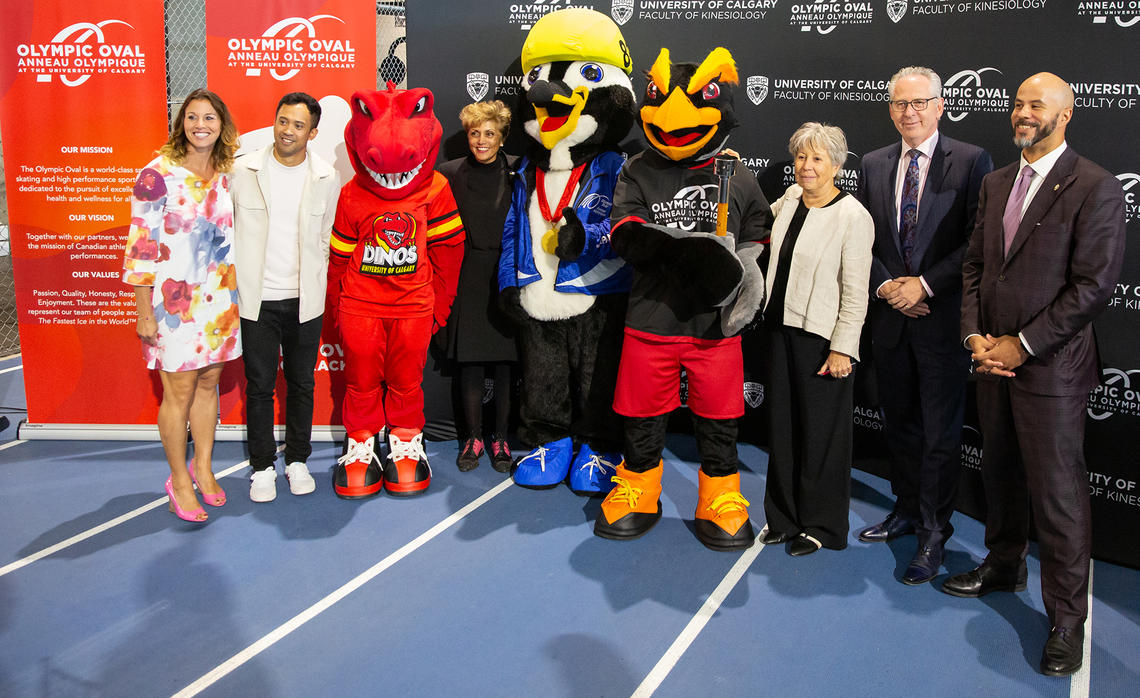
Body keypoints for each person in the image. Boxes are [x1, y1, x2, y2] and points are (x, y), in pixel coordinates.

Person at [947, 72, 1125, 677]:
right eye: (1019, 103)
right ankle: (1002, 566)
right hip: (990, 359)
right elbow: (974, 267)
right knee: (999, 473)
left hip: (1050, 367)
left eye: (1036, 105)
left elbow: (1093, 287)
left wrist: (1021, 345)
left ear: (1066, 114)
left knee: (1059, 498)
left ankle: (1066, 618)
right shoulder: (997, 182)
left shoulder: (1095, 186)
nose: (1023, 113)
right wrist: (975, 336)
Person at [855, 67, 993, 584]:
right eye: (899, 103)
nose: (909, 112)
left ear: (940, 106)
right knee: (901, 424)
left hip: (940, 321)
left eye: (920, 102)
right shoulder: (872, 163)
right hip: (890, 320)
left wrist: (924, 286)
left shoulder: (972, 159)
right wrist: (889, 287)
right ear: (889, 108)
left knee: (940, 433)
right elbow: (861, 238)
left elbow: (978, 241)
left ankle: (935, 532)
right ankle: (907, 508)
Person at [122, 88, 241, 523]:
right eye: (192, 117)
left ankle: (204, 469)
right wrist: (143, 311)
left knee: (209, 383)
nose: (201, 125)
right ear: (181, 123)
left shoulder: (228, 171)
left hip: (220, 297)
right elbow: (140, 246)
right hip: (173, 302)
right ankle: (179, 479)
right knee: (180, 390)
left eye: (209, 118)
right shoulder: (157, 175)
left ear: (221, 124)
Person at [759, 122, 873, 556]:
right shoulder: (788, 200)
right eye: (801, 158)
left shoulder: (853, 216)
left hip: (823, 341)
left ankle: (822, 526)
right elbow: (753, 217)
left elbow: (856, 290)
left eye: (817, 159)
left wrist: (844, 346)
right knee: (784, 429)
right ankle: (784, 518)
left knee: (822, 436)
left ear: (837, 166)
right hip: (780, 330)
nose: (806, 167)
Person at [232, 92, 340, 502]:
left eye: (297, 125)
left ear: (312, 132)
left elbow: (327, 237)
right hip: (256, 299)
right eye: (282, 121)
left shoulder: (327, 177)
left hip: (304, 300)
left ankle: (297, 460)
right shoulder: (243, 170)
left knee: (301, 384)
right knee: (259, 386)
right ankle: (262, 467)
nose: (287, 131)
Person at [437, 101, 519, 473]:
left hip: (507, 274)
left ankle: (500, 438)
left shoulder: (520, 171)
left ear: (501, 137)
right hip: (466, 275)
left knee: (506, 364)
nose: (481, 141)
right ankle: (472, 439)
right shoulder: (449, 173)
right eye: (475, 133)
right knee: (470, 362)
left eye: (489, 133)